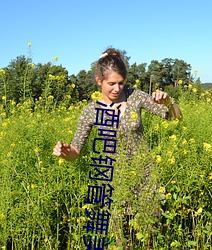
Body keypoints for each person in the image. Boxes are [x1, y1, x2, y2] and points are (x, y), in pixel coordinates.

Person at [53, 47, 182, 247]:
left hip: (145, 176)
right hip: (112, 182)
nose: (116, 88)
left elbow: (175, 118)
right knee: (119, 238)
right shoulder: (91, 111)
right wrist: (65, 152)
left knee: (150, 235)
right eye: (111, 83)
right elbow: (76, 151)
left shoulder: (135, 97)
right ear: (99, 81)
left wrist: (169, 102)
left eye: (121, 83)